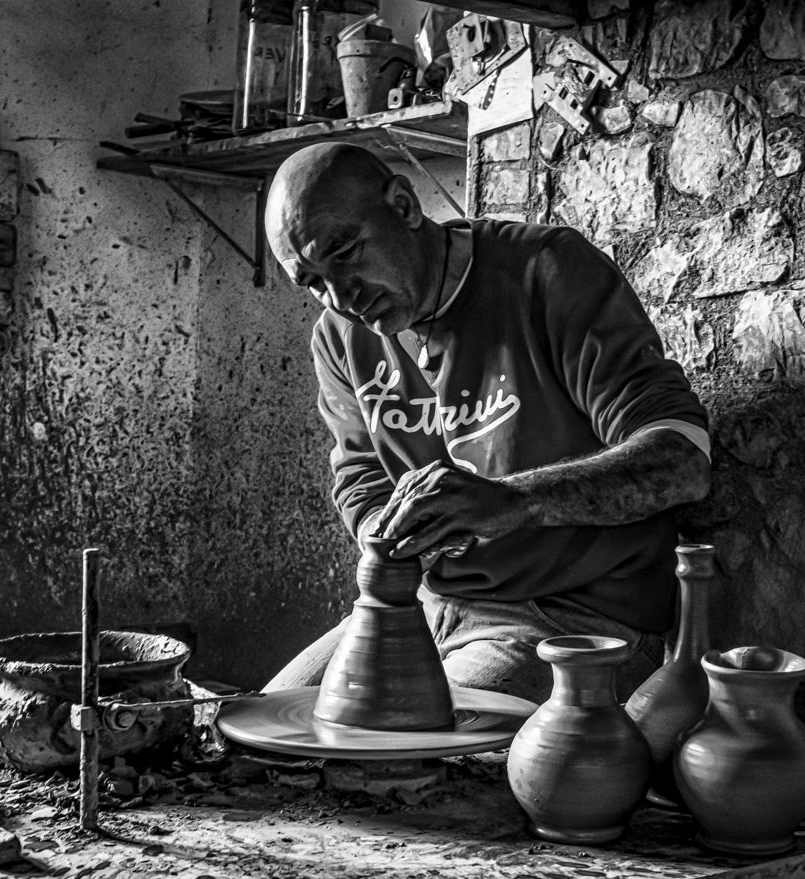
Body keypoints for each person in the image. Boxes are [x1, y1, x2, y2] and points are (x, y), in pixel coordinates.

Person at [262, 142, 711, 704]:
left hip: (575, 617)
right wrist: (391, 537)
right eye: (312, 281)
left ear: (403, 206)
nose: (342, 297)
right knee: (255, 728)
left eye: (346, 252)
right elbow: (360, 476)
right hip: (424, 608)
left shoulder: (546, 270)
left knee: (406, 753)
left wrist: (513, 501)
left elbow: (682, 460)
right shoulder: (338, 335)